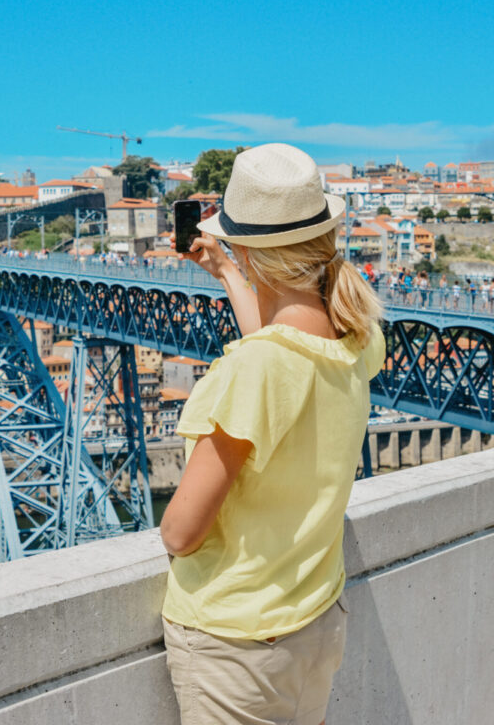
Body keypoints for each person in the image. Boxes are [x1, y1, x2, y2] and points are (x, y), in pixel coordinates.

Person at [162, 143, 384, 725]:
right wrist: (230, 271)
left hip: (238, 644)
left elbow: (181, 533)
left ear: (257, 257)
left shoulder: (251, 369)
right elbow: (289, 351)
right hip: (314, 623)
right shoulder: (357, 339)